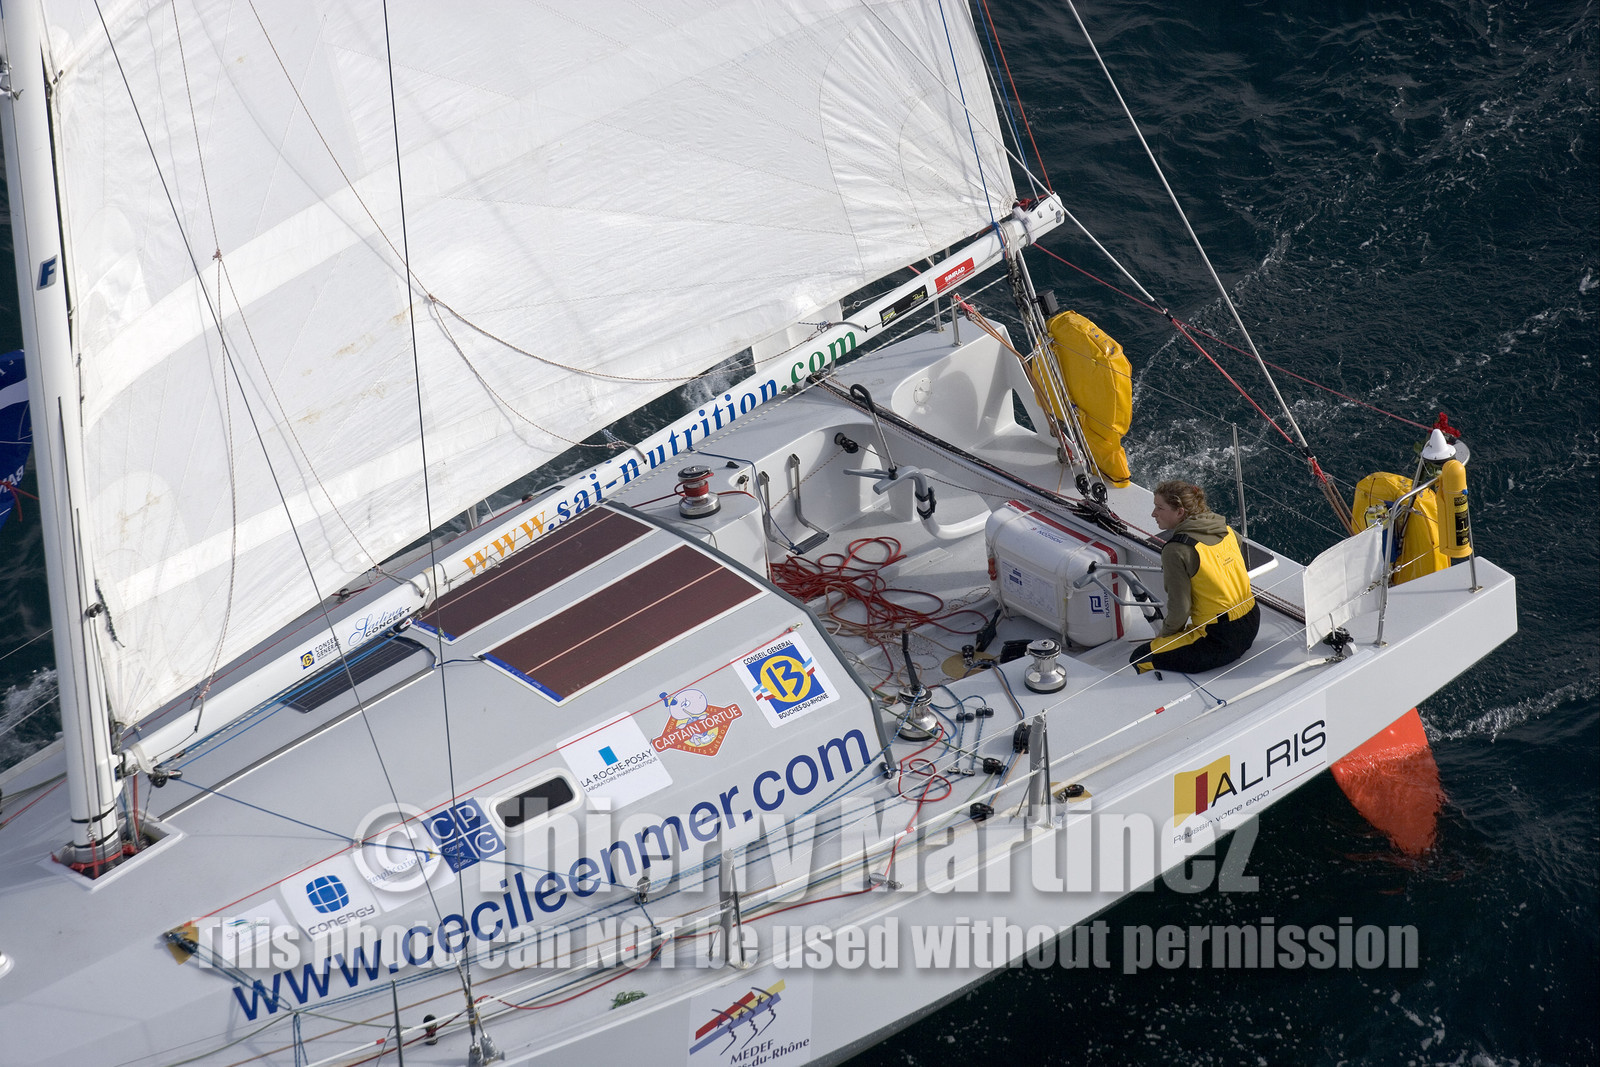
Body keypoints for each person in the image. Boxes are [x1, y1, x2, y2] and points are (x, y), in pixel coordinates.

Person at [1128, 480, 1260, 675]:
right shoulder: (1229, 532)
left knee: (1139, 658)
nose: (1153, 514)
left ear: (1180, 512)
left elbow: (1181, 609)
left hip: (1220, 640)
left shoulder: (1176, 549)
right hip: (1253, 620)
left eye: (1159, 508)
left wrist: (1163, 638)